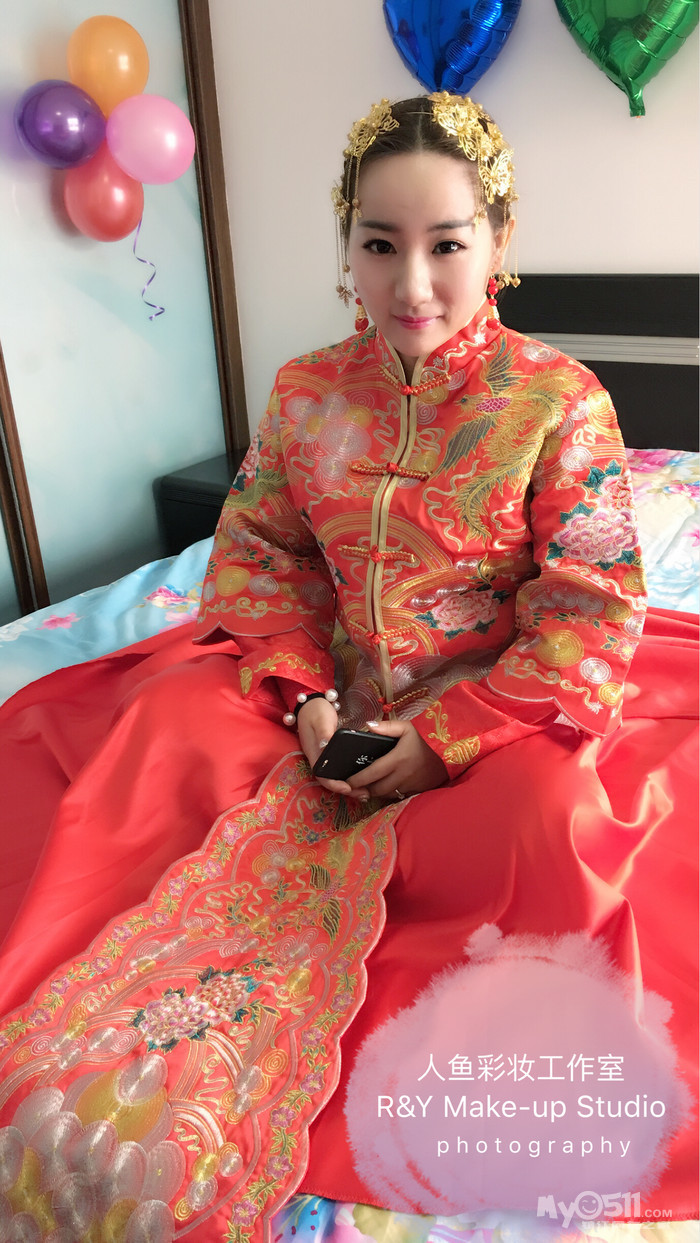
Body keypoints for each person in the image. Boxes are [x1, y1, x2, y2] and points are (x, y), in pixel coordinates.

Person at [0, 93, 696, 1241]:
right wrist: (308, 696)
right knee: (163, 723)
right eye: (380, 244)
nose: (411, 284)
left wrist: (447, 738)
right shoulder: (304, 391)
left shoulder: (558, 401)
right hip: (327, 690)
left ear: (498, 242)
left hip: (491, 710)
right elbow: (261, 554)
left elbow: (587, 602)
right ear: (348, 247)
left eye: (446, 244)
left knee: (551, 823)